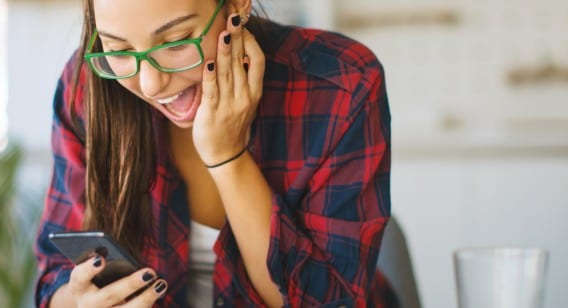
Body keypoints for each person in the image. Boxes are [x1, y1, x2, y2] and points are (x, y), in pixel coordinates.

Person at [34, 0, 397, 306]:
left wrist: (227, 157)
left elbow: (329, 301)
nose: (150, 84)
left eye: (176, 42)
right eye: (118, 50)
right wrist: (76, 299)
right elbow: (55, 272)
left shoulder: (341, 85)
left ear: (237, 5)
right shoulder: (87, 88)